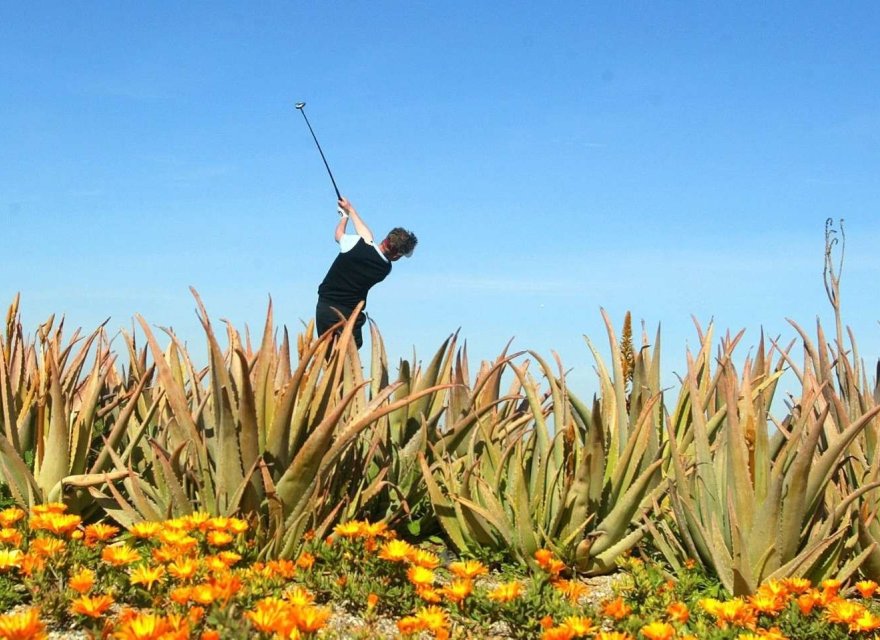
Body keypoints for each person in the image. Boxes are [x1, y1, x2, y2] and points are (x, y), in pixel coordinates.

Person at [316, 196, 417, 349]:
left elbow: (339, 234)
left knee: (327, 353)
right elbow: (368, 239)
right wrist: (350, 210)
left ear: (386, 239)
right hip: (350, 315)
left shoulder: (354, 244)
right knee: (349, 355)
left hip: (325, 308)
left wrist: (344, 216)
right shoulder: (384, 269)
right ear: (396, 256)